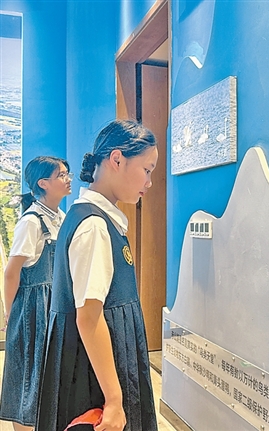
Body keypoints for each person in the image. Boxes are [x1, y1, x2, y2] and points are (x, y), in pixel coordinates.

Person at [36, 120, 158, 431]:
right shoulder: (93, 225)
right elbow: (89, 317)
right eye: (147, 170)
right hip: (94, 376)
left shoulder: (93, 217)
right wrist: (114, 400)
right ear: (117, 159)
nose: (149, 182)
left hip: (95, 365)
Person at [0, 156, 73, 431]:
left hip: (57, 304)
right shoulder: (31, 222)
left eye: (67, 173)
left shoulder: (62, 218)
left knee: (50, 375)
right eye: (61, 175)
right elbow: (11, 272)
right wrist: (11, 312)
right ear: (43, 183)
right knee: (28, 377)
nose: (68, 179)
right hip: (33, 307)